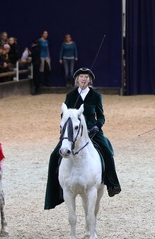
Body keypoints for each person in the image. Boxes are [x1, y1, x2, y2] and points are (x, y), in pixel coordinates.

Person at [44, 67, 122, 210]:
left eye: (86, 77)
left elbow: (101, 116)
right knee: (54, 155)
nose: (84, 79)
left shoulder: (96, 96)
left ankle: (112, 183)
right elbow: (64, 115)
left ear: (90, 80)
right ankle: (55, 190)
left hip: (92, 132)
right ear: (77, 80)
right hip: (73, 132)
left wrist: (98, 126)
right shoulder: (71, 96)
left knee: (107, 151)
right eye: (81, 77)